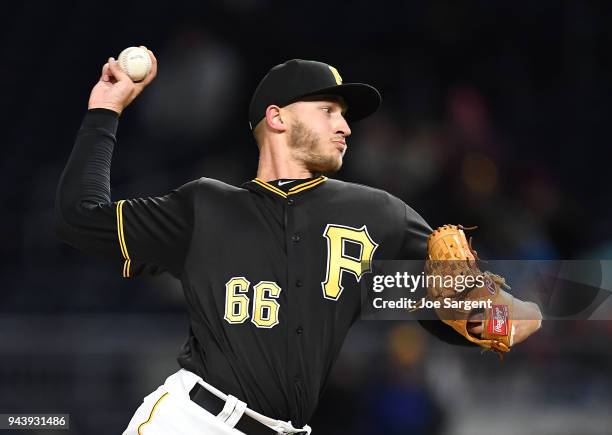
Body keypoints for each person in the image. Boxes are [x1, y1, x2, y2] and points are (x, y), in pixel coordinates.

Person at [55, 49, 542, 435]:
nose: (345, 126)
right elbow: (81, 220)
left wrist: (501, 314)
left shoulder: (379, 216)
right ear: (277, 118)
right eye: (328, 109)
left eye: (344, 115)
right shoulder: (203, 208)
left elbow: (500, 319)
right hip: (193, 422)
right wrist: (105, 109)